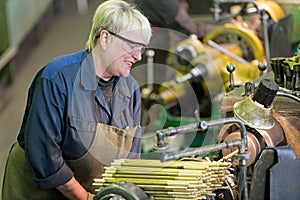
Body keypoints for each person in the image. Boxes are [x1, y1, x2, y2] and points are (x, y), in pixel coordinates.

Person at [2, 0, 152, 199]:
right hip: (41, 193)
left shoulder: (130, 89)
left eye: (142, 49)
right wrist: (87, 198)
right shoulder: (57, 78)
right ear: (106, 38)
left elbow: (131, 159)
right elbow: (45, 155)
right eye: (133, 46)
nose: (138, 57)